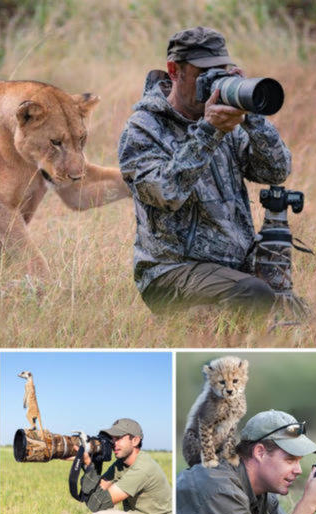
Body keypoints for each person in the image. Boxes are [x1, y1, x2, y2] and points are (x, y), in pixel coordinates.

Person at [118, 26, 292, 314]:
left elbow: (276, 171)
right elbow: (166, 194)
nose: (214, 82)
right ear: (174, 71)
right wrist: (209, 131)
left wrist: (252, 117)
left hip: (232, 271)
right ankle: (190, 325)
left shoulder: (227, 122)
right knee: (254, 294)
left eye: (221, 72)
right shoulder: (143, 128)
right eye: (204, 73)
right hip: (170, 272)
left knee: (294, 313)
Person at [177, 409, 316, 514]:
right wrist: (308, 504)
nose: (299, 470)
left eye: (299, 460)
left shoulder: (261, 494)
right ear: (260, 452)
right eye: (290, 460)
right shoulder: (219, 490)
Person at [77, 418, 172, 514]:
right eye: (112, 439)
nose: (113, 443)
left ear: (135, 440)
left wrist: (89, 467)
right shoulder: (121, 464)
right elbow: (94, 495)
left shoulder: (143, 468)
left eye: (118, 438)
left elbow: (99, 503)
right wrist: (90, 462)